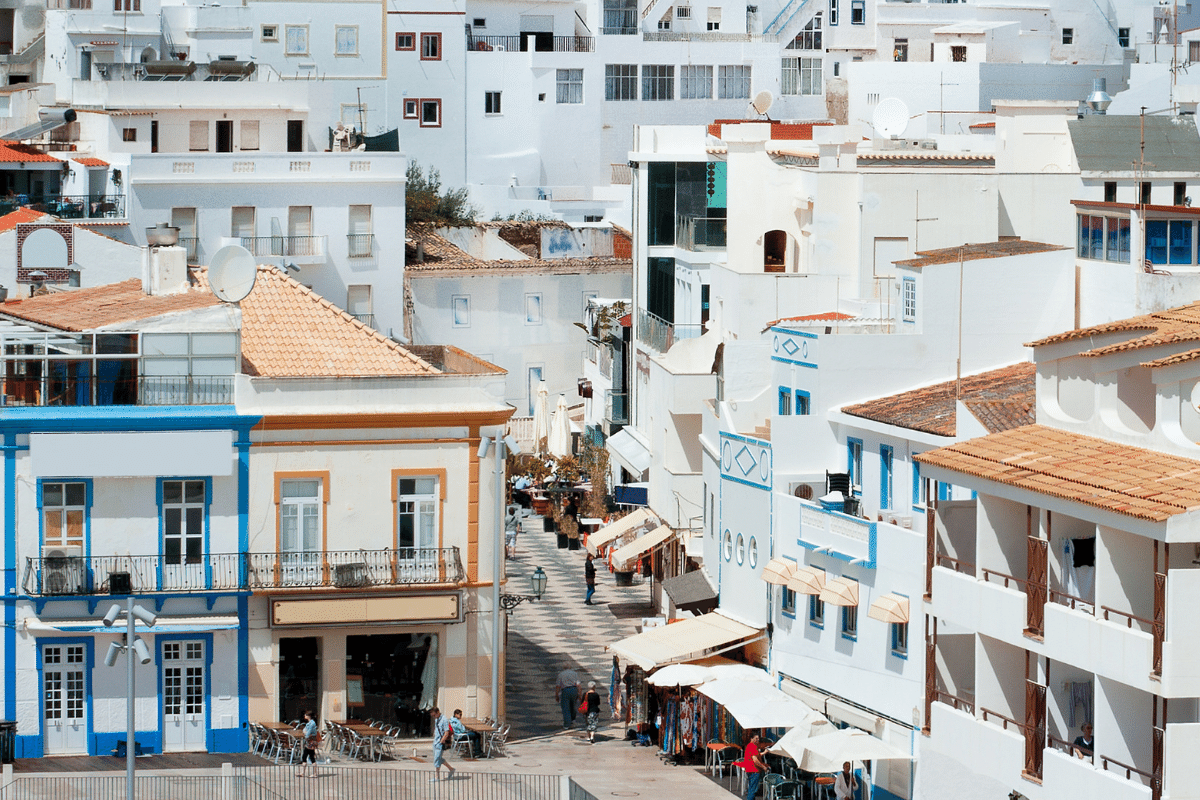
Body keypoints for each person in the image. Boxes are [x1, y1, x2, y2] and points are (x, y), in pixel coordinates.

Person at [429, 707, 457, 782]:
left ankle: (436, 777)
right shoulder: (436, 719)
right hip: (435, 741)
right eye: (432, 716)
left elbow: (446, 731)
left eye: (434, 715)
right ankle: (451, 769)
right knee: (438, 758)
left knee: (437, 759)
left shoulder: (444, 719)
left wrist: (442, 741)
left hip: (440, 742)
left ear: (438, 712)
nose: (434, 717)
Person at [742, 733, 769, 800]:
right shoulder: (753, 746)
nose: (758, 740)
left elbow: (756, 755)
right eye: (756, 738)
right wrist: (763, 767)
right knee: (753, 790)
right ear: (751, 739)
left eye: (758, 738)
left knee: (751, 787)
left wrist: (764, 753)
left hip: (750, 769)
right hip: (754, 770)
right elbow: (755, 760)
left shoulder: (750, 746)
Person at [555, 664, 580, 729]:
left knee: (565, 707)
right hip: (574, 689)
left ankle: (566, 724)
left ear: (563, 667)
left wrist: (557, 695)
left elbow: (558, 686)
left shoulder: (561, 674)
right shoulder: (574, 673)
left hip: (565, 690)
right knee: (573, 705)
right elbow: (578, 685)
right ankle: (573, 720)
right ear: (570, 667)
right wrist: (580, 693)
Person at [297, 710, 318, 778]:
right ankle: (303, 772)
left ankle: (314, 773)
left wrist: (305, 735)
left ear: (309, 716)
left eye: (306, 715)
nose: (304, 716)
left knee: (310, 757)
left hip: (310, 742)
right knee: (306, 756)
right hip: (309, 742)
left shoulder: (312, 723)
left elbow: (307, 733)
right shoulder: (310, 723)